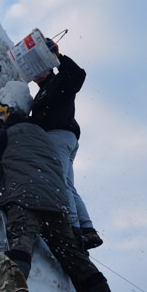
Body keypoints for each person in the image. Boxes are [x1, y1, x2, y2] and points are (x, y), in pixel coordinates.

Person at [0, 107, 128, 292]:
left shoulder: (13, 133)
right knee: (75, 257)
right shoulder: (45, 138)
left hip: (25, 198)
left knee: (21, 248)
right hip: (56, 205)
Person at [29, 37, 103, 249]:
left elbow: (77, 75)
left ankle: (72, 228)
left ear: (48, 68)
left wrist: (57, 57)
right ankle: (88, 229)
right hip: (63, 139)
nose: (36, 75)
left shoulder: (59, 81)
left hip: (59, 136)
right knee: (68, 185)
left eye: (40, 69)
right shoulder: (42, 92)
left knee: (58, 182)